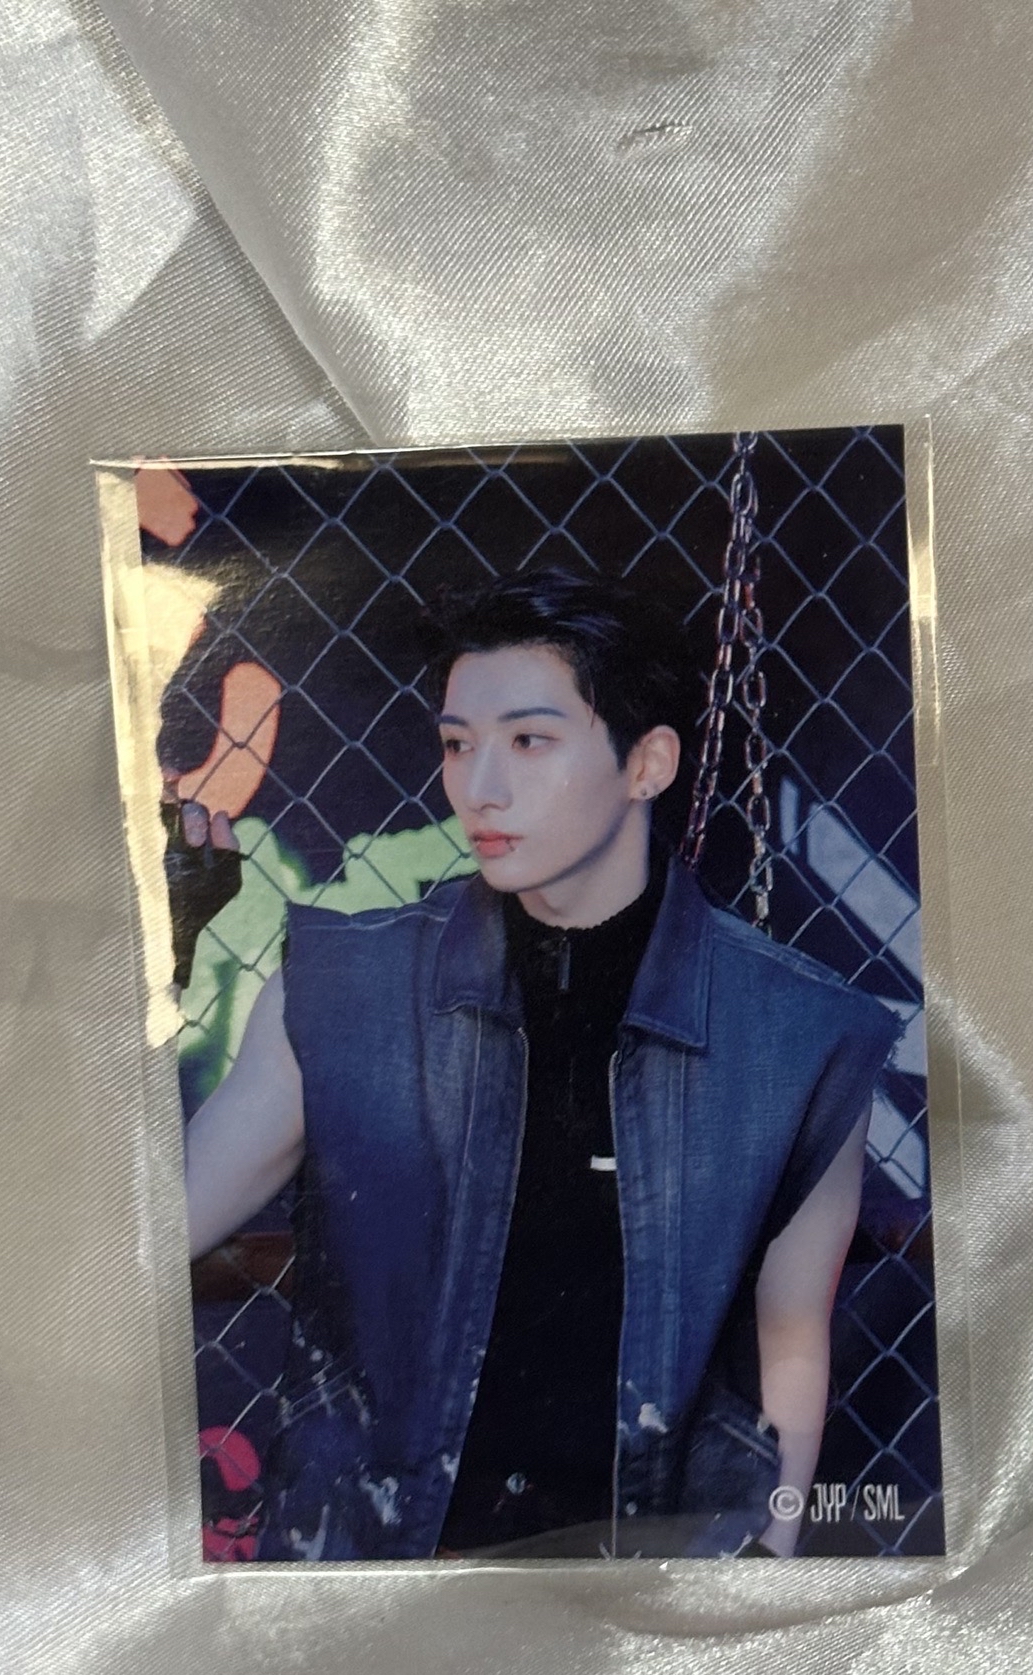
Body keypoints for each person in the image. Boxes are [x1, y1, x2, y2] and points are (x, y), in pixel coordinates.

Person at [179, 569, 899, 1560]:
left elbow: (792, 1342)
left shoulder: (801, 1035)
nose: (480, 788)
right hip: (382, 1574)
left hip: (646, 1579)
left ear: (647, 764)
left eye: (529, 741)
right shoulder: (339, 991)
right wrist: (151, 969)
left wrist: (765, 1569)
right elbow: (153, 1232)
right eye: (457, 744)